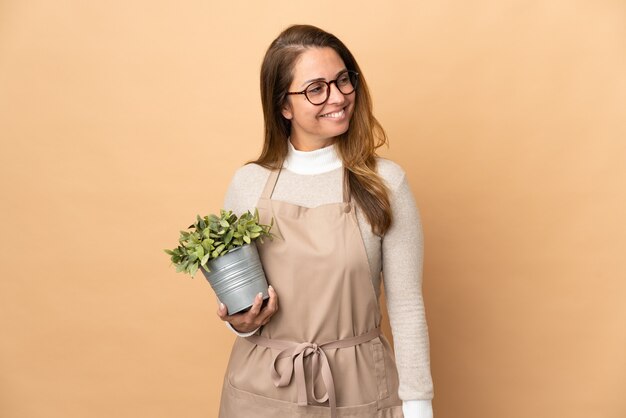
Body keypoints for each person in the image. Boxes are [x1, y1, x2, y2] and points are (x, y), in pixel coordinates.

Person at [216, 24, 434, 418]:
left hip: (361, 388)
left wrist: (419, 408)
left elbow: (407, 307)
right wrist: (241, 322)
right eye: (316, 88)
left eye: (343, 80)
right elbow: (240, 304)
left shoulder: (386, 183)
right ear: (284, 105)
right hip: (262, 392)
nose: (338, 97)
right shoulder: (248, 185)